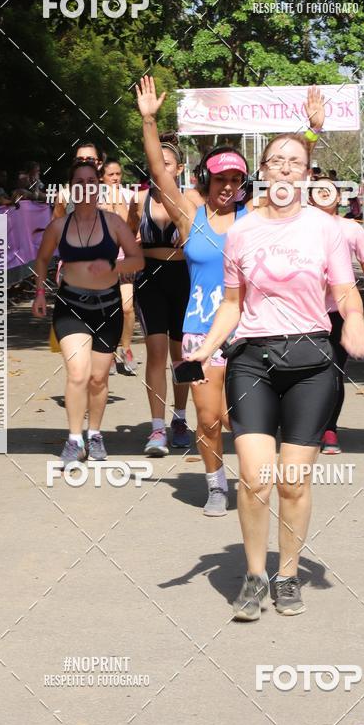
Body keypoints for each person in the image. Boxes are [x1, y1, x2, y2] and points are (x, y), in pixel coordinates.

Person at [187, 116, 364, 618]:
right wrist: (206, 349)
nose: (286, 169)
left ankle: (287, 575)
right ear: (263, 173)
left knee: (292, 480)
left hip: (312, 361)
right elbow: (231, 303)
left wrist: (353, 320)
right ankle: (252, 575)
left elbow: (344, 289)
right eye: (276, 162)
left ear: (308, 174)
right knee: (255, 477)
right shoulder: (242, 233)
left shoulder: (325, 229)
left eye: (296, 162)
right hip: (253, 361)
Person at [135, 75, 249, 512]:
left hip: (249, 330)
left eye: (236, 179)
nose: (227, 186)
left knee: (244, 418)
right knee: (209, 417)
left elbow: (291, 185)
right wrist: (149, 121)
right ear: (206, 178)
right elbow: (160, 171)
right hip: (200, 330)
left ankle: (255, 476)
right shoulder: (188, 212)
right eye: (221, 178)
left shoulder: (253, 215)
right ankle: (217, 483)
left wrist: (310, 137)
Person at [32, 158, 143, 464]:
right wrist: (41, 292)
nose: (85, 188)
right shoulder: (59, 226)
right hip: (71, 307)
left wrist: (113, 265)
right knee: (78, 373)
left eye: (90, 182)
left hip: (107, 308)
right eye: (78, 183)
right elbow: (42, 259)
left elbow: (137, 260)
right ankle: (73, 439)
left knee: (98, 379)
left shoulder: (114, 223)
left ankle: (94, 434)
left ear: (98, 188)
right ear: (71, 189)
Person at [311, 180, 364, 454]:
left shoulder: (350, 229)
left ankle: (329, 428)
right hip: (302, 313)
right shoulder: (296, 228)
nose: (323, 193)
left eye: (329, 190)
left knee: (333, 371)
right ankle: (303, 423)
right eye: (317, 189)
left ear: (340, 198)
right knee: (302, 370)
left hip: (338, 312)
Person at [128, 128, 193, 456]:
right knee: (155, 352)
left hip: (184, 278)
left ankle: (180, 419)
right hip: (150, 279)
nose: (161, 169)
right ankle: (156, 429)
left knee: (180, 354)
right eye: (157, 163)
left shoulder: (192, 200)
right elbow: (126, 236)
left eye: (167, 164)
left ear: (179, 169)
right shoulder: (140, 200)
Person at [99, 157, 137, 375]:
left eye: (118, 174)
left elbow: (128, 226)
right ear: (102, 177)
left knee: (127, 307)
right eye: (111, 174)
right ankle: (110, 351)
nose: (115, 178)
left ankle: (127, 348)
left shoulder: (127, 195)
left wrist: (115, 204)